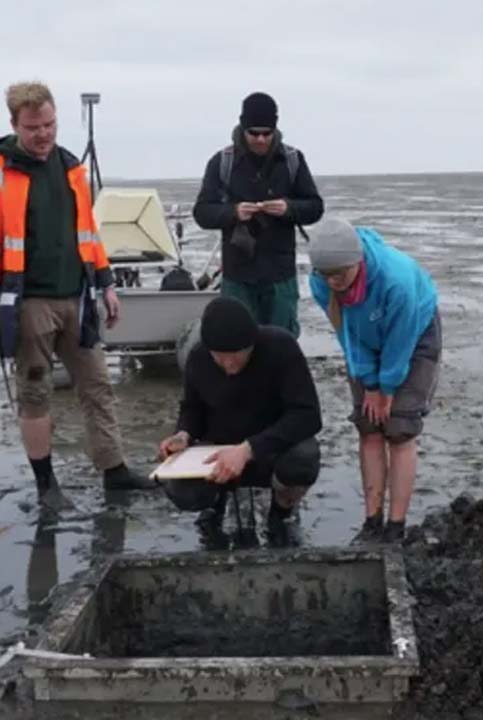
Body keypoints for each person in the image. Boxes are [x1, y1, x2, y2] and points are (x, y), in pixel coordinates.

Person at [0, 81, 154, 508]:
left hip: (79, 299)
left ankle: (115, 471)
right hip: (28, 303)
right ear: (14, 124)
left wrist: (106, 284)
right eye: (33, 127)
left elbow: (88, 233)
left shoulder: (72, 168)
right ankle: (46, 485)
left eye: (50, 124)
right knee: (35, 393)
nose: (44, 134)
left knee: (98, 386)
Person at [307, 218, 442, 544]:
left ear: (358, 262)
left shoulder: (395, 280)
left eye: (341, 273)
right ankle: (372, 521)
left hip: (415, 335)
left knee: (399, 429)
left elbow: (401, 339)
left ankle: (396, 527)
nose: (334, 281)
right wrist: (369, 383)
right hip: (362, 341)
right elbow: (346, 333)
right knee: (369, 427)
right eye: (327, 275)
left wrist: (388, 387)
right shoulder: (321, 283)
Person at [158, 296, 322, 546]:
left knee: (304, 459)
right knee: (181, 490)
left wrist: (249, 449)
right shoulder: (198, 357)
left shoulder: (281, 347)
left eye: (237, 355)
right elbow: (192, 408)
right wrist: (183, 435)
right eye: (220, 357)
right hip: (219, 450)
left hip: (271, 448)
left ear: (252, 345)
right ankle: (214, 503)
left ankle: (282, 511)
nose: (229, 364)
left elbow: (308, 415)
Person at [192, 92, 324, 336]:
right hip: (238, 276)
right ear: (243, 128)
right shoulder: (222, 162)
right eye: (254, 133)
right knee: (237, 340)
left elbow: (315, 207)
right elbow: (201, 213)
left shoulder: (293, 160)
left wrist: (288, 208)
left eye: (267, 133)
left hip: (280, 274)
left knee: (282, 342)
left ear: (275, 128)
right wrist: (233, 212)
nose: (261, 139)